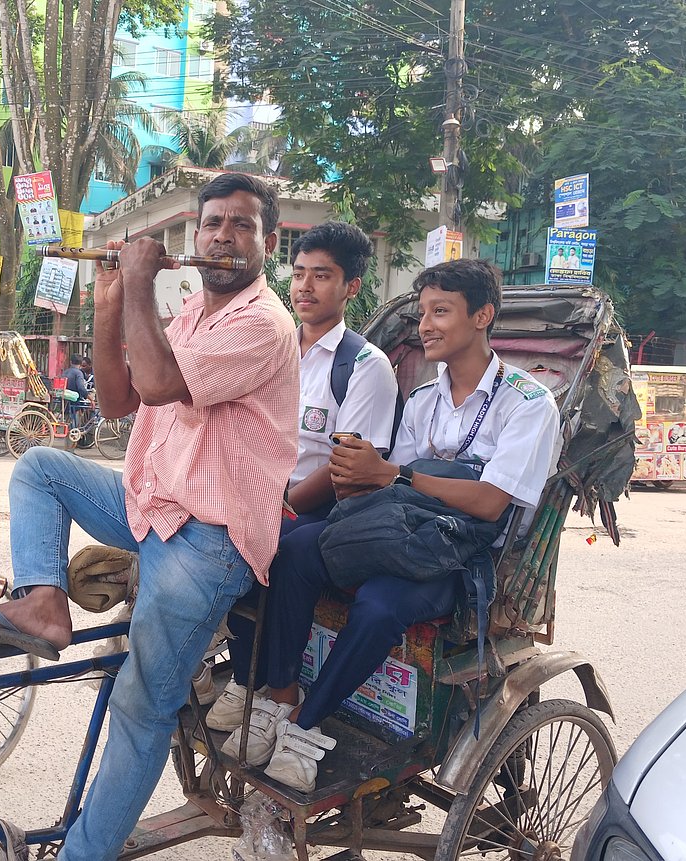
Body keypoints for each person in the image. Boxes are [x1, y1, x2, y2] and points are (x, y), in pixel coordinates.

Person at [0, 173, 299, 860]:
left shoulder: (264, 322)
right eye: (214, 223)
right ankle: (43, 602)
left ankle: (83, 855)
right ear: (195, 235)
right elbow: (115, 400)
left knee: (141, 708)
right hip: (151, 508)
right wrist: (109, 302)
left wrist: (137, 281)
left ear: (268, 242)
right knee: (40, 467)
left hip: (208, 544)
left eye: (242, 226)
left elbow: (162, 383)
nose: (223, 236)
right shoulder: (193, 311)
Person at [226, 259, 560, 793]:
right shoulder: (424, 398)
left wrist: (395, 474)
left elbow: (492, 502)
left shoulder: (527, 403)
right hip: (398, 533)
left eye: (441, 312)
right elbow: (389, 490)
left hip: (458, 558)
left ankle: (307, 726)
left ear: (483, 316)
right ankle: (281, 695)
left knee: (381, 603)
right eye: (423, 312)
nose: (426, 325)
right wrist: (357, 475)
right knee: (293, 551)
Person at [203, 220, 399, 735]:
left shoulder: (365, 366)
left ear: (351, 287)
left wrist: (277, 503)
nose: (305, 287)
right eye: (298, 274)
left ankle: (276, 685)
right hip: (264, 494)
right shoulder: (273, 346)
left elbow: (348, 469)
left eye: (323, 276)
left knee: (261, 545)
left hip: (325, 507)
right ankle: (231, 663)